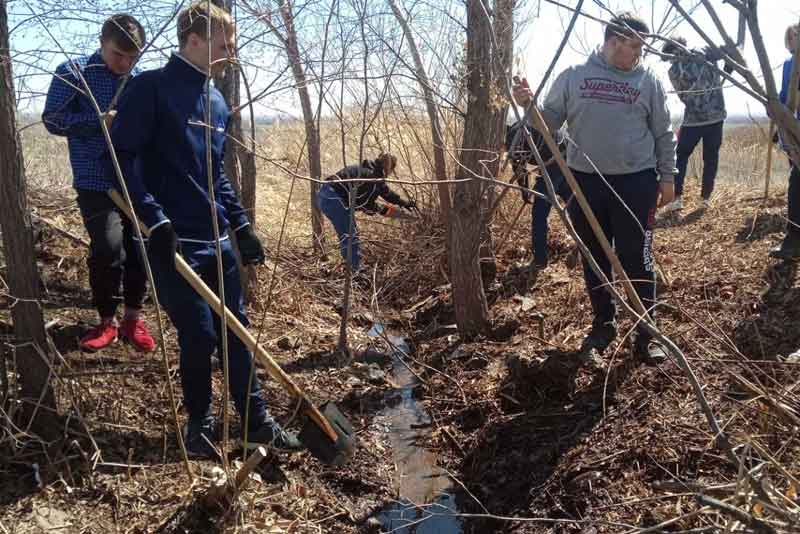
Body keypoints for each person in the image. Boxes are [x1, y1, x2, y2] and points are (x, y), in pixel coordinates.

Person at [107, 2, 301, 457]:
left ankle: (256, 422)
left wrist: (242, 225)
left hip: (217, 242)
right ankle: (200, 425)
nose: (229, 52)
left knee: (237, 332)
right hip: (170, 242)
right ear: (193, 41)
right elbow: (121, 161)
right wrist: (154, 217)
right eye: (222, 44)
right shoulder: (150, 89)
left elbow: (215, 175)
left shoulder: (215, 101)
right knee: (199, 335)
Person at [513, 12, 677, 364]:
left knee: (638, 258)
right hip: (584, 181)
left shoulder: (648, 81)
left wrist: (667, 177)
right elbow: (549, 123)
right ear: (614, 41)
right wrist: (528, 104)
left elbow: (664, 133)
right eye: (635, 46)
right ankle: (603, 324)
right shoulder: (574, 77)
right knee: (595, 255)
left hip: (637, 182)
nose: (639, 54)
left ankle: (646, 332)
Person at [42, 14, 155, 353]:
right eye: (118, 54)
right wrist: (98, 122)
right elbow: (52, 119)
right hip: (95, 180)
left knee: (140, 248)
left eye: (132, 57)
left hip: (135, 179)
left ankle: (133, 319)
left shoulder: (139, 81)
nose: (124, 63)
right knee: (108, 248)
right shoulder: (74, 74)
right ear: (102, 43)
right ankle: (107, 320)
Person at [661, 36, 732, 211]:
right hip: (715, 116)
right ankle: (705, 198)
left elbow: (683, 96)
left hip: (694, 120)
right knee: (710, 158)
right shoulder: (704, 52)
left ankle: (678, 198)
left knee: (681, 156)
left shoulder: (674, 71)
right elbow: (731, 48)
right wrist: (727, 71)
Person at [317, 153, 416, 273]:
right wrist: (386, 207)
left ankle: (352, 268)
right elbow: (368, 202)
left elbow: (376, 195)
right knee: (350, 235)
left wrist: (401, 203)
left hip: (324, 194)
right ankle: (354, 271)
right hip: (333, 197)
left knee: (348, 233)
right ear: (389, 168)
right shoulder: (373, 177)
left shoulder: (368, 172)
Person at [505, 119, 571, 284]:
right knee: (575, 208)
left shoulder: (513, 135)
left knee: (539, 214)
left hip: (554, 164)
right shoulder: (521, 126)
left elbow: (518, 166)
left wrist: (525, 191)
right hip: (567, 158)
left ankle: (540, 260)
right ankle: (587, 245)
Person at [770, 23, 800, 260]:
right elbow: (783, 99)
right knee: (796, 182)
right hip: (796, 133)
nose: (794, 40)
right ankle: (794, 239)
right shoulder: (790, 65)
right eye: (792, 37)